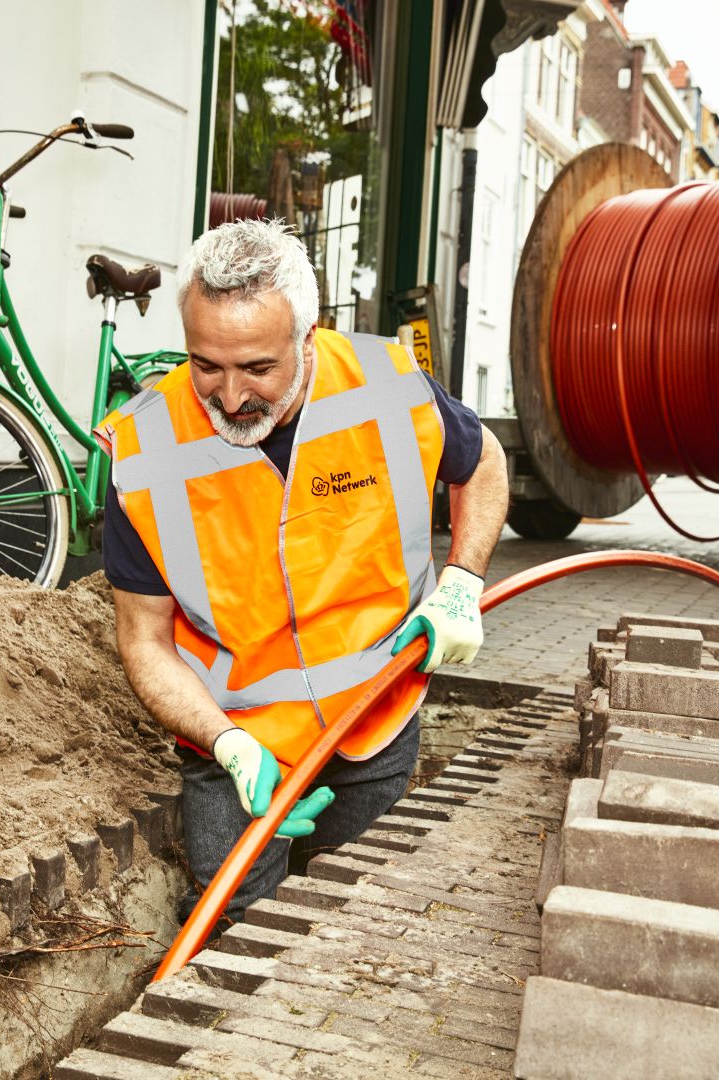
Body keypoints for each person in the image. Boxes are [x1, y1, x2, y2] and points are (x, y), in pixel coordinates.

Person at [95, 219, 508, 923]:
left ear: (308, 339)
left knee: (357, 916)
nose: (229, 398)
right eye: (206, 366)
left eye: (258, 369)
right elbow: (144, 640)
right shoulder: (146, 447)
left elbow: (485, 461)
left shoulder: (388, 386)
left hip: (376, 716)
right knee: (234, 922)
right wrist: (225, 743)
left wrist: (464, 581)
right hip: (235, 738)